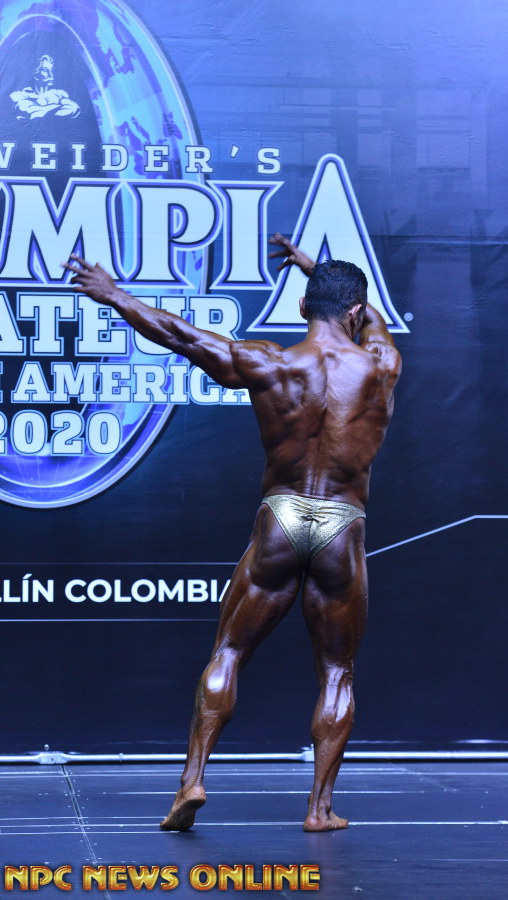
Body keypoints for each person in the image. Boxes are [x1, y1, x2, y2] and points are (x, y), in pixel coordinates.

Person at [62, 234, 402, 832]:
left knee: (230, 651)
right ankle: (319, 809)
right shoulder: (381, 367)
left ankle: (191, 782)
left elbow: (183, 336)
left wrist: (115, 295)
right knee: (336, 671)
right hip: (341, 524)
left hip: (283, 517)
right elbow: (371, 321)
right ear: (355, 312)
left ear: (303, 307)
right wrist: (317, 269)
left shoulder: (270, 363)